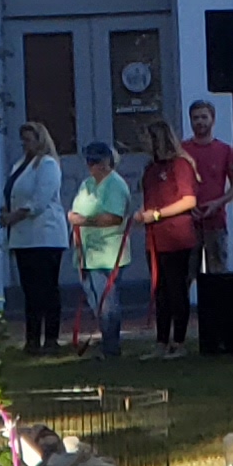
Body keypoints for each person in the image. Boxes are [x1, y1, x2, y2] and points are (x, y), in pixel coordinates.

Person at [0, 122, 70, 354]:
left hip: (45, 235)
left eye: (29, 139)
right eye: (23, 140)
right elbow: (14, 192)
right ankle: (32, 339)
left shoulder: (47, 165)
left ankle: (50, 338)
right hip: (23, 237)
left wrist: (14, 216)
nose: (25, 144)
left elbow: (39, 201)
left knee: (46, 289)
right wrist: (6, 212)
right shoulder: (19, 165)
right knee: (29, 290)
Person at [136, 115, 203, 350]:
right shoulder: (150, 169)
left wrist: (157, 214)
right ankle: (161, 341)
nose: (143, 143)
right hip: (155, 239)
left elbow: (188, 200)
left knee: (177, 290)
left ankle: (179, 341)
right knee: (160, 291)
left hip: (177, 238)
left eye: (147, 138)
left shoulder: (180, 165)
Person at [68, 140, 135, 359]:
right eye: (90, 161)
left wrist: (83, 220)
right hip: (86, 254)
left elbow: (113, 218)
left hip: (108, 255)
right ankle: (108, 343)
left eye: (98, 161)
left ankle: (111, 348)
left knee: (108, 303)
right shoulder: (87, 184)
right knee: (96, 301)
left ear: (108, 161)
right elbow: (75, 211)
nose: (94, 165)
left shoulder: (116, 185)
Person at [183, 98, 233, 260]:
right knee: (186, 274)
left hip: (215, 223)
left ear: (212, 119)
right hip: (187, 224)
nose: (200, 122)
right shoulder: (181, 151)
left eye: (203, 117)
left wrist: (218, 203)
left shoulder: (225, 150)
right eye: (195, 118)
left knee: (217, 275)